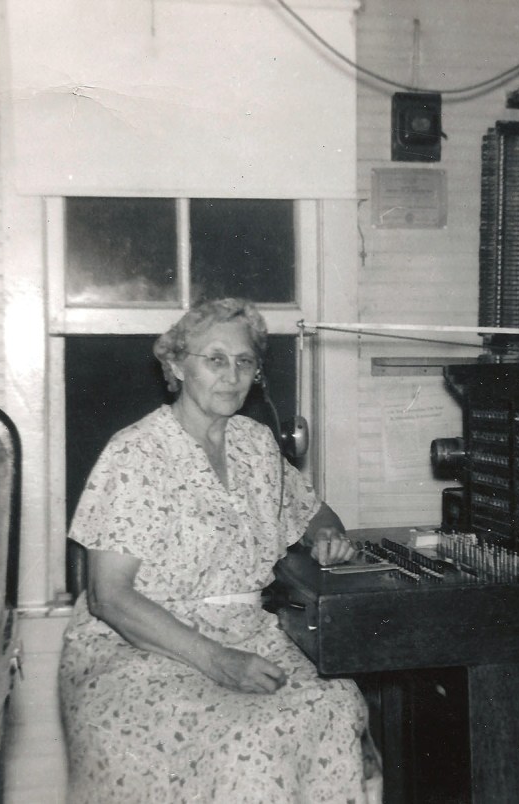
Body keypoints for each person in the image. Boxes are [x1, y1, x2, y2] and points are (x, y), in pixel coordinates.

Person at [58, 298, 376, 804]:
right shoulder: (135, 453)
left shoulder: (256, 445)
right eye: (215, 359)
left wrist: (325, 537)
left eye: (244, 361)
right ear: (176, 366)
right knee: (250, 742)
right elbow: (108, 597)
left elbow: (315, 512)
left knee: (337, 704)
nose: (231, 375)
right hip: (142, 647)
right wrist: (217, 661)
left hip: (250, 636)